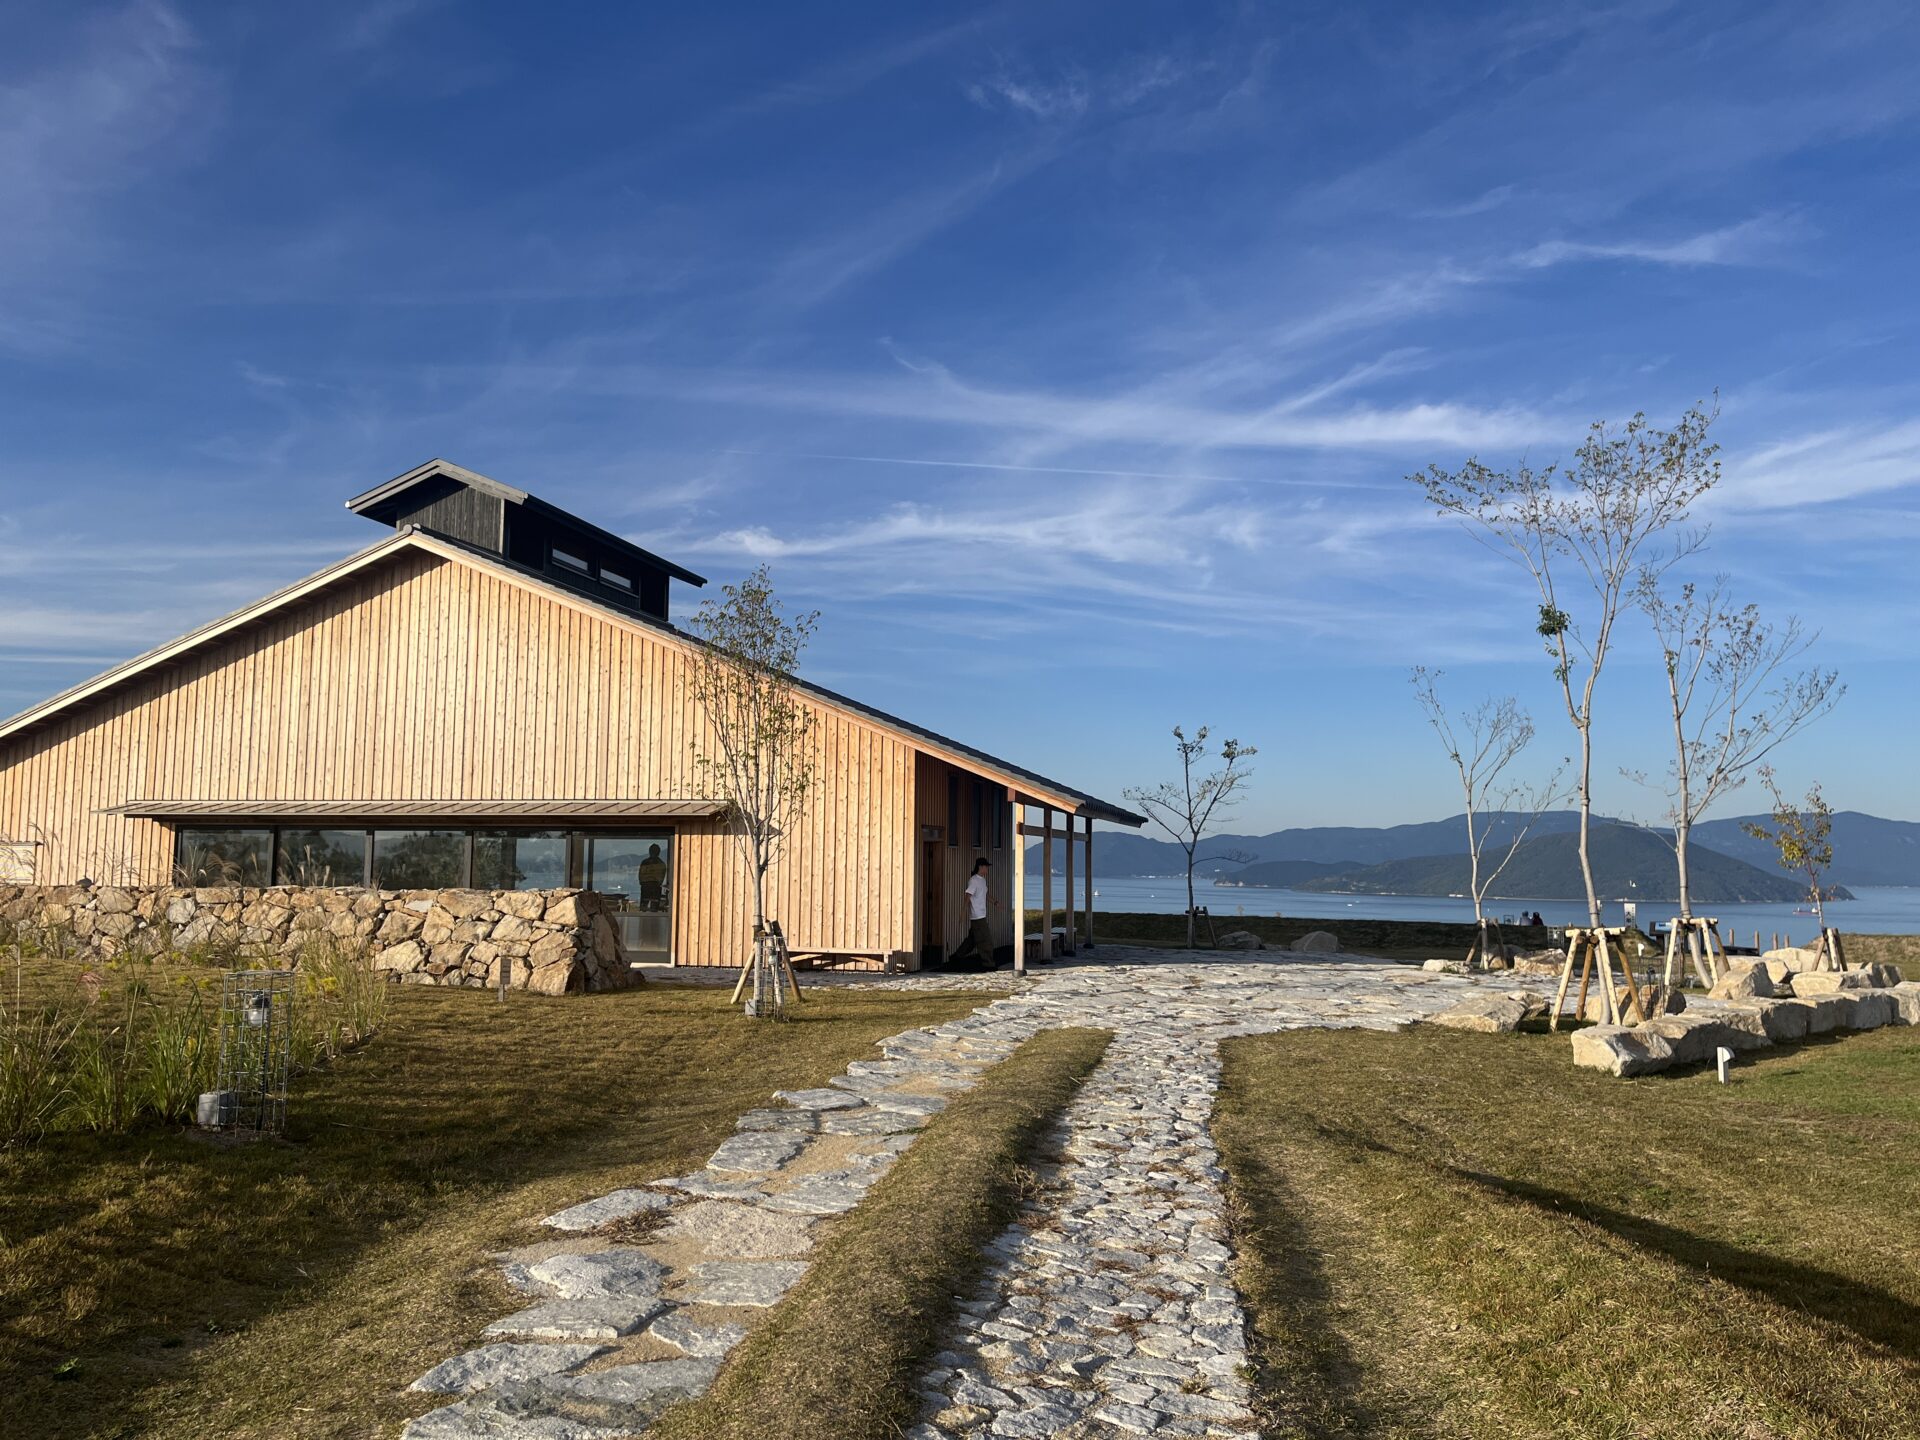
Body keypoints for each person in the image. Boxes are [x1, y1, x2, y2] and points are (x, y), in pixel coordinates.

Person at [948, 857, 998, 970]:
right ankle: (988, 964)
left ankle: (955, 957)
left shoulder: (982, 880)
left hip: (981, 915)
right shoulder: (974, 880)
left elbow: (985, 894)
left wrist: (995, 902)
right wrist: (963, 913)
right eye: (986, 867)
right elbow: (967, 897)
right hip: (977, 917)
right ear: (980, 867)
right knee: (986, 940)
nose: (987, 869)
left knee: (972, 941)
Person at [637, 843, 668, 910]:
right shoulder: (660, 863)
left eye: (654, 851)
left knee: (651, 907)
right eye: (652, 851)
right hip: (649, 886)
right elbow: (641, 875)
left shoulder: (647, 862)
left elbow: (641, 875)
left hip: (652, 886)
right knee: (645, 907)